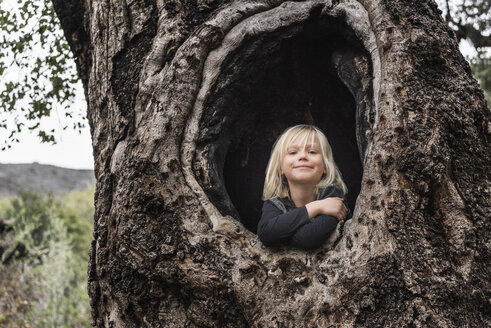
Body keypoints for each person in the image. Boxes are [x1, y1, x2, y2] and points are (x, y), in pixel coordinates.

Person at [257, 124, 349, 250]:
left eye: (312, 152)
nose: (303, 156)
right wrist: (316, 207)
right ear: (280, 168)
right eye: (293, 152)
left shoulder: (333, 197)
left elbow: (308, 238)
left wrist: (281, 234)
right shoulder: (276, 203)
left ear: (326, 167)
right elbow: (266, 233)